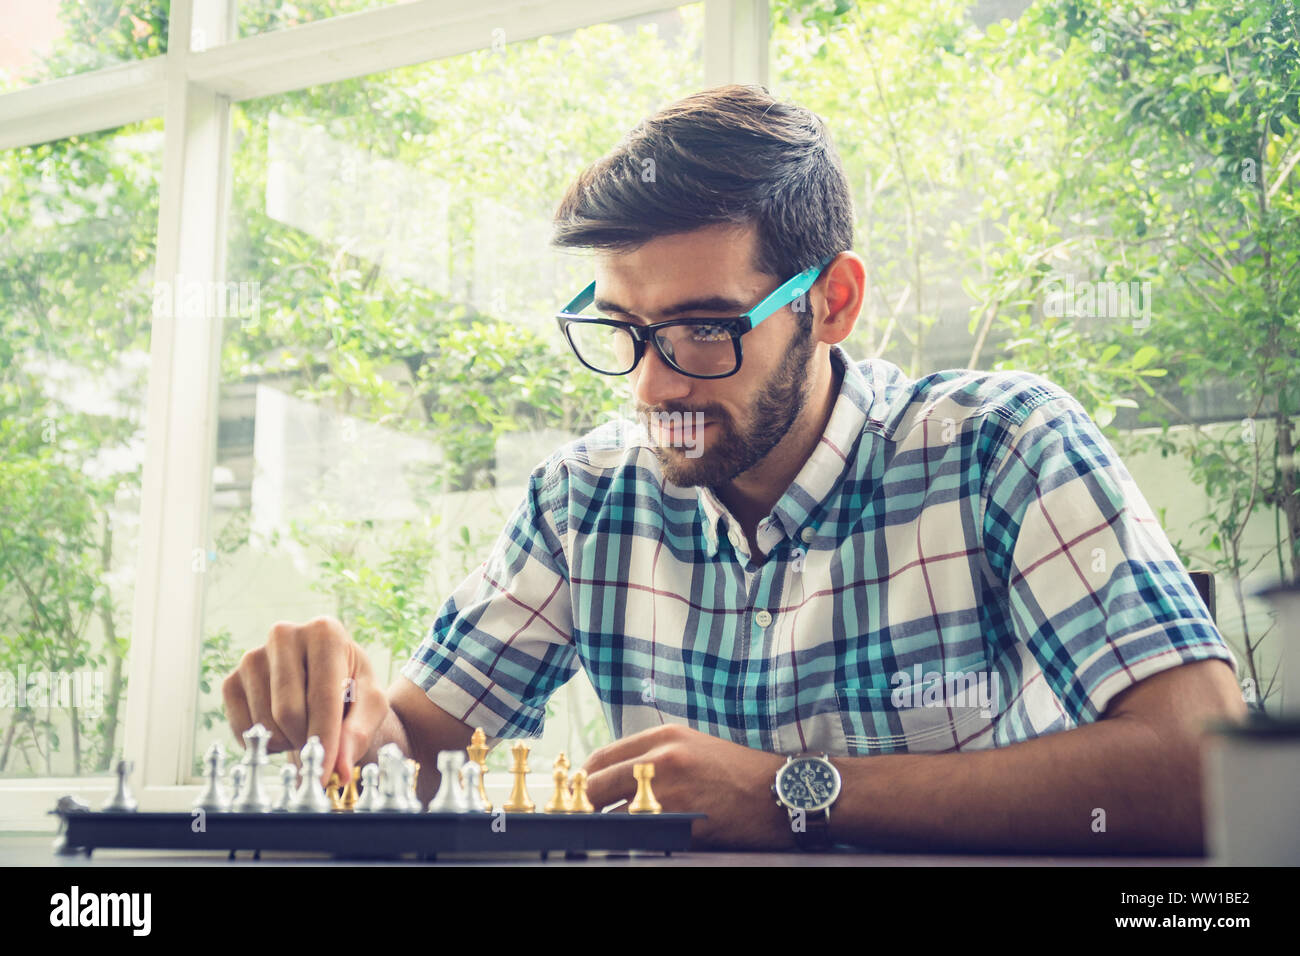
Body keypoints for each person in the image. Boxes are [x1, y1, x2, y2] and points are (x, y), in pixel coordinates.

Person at [223, 85, 1244, 853]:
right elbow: (426, 754)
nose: (653, 387)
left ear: (831, 302)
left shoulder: (1000, 447)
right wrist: (344, 707)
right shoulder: (586, 500)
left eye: (704, 329)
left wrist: (798, 788)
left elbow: (1209, 770)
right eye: (623, 330)